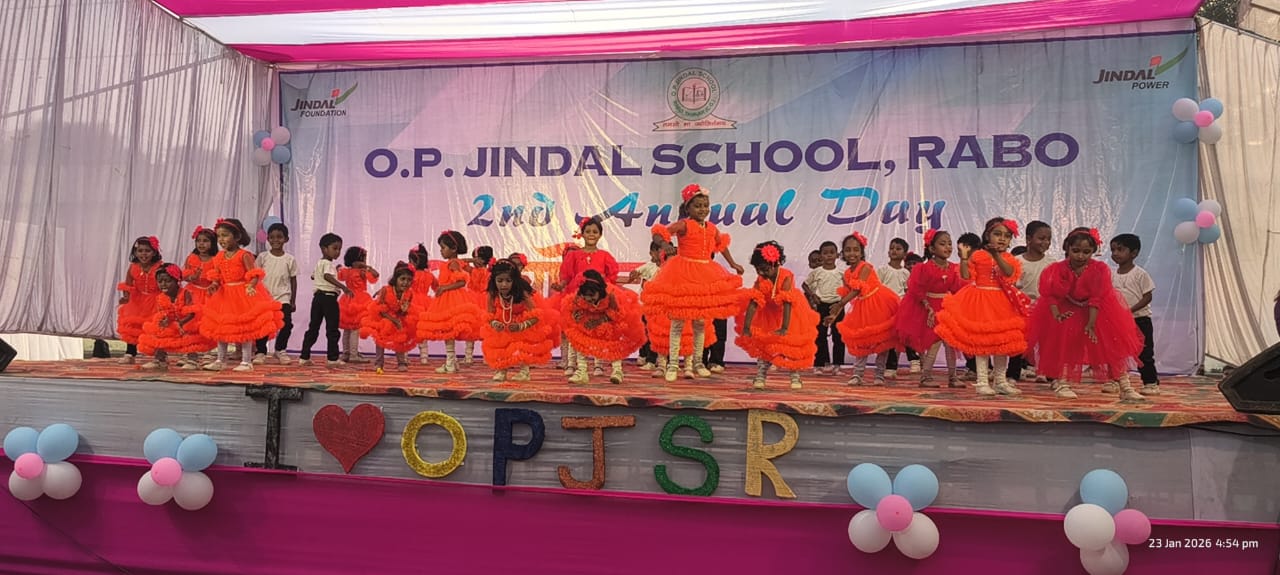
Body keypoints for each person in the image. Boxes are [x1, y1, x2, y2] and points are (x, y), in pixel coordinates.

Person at [1028, 228, 1146, 401]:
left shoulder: (1099, 269)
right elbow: (1051, 296)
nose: (1080, 256)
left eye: (1086, 252)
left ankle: (1125, 386)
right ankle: (1062, 383)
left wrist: (1091, 323)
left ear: (1093, 251)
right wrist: (1057, 315)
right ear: (1067, 248)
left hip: (1097, 311)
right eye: (1076, 251)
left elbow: (1096, 298)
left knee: (1112, 346)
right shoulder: (1056, 269)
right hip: (1066, 311)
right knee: (1065, 346)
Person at [644, 184, 746, 382]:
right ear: (688, 208)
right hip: (683, 273)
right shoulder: (684, 225)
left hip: (705, 274)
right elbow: (659, 233)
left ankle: (698, 362)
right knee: (678, 322)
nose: (702, 209)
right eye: (697, 206)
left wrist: (733, 264)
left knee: (700, 322)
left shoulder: (712, 228)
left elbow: (721, 245)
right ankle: (673, 364)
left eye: (705, 205)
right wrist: (664, 244)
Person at [935, 218, 1029, 396]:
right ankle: (982, 381)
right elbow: (966, 276)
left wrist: (996, 256)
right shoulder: (978, 256)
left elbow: (1009, 274)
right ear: (987, 236)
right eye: (997, 234)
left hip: (1001, 303)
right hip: (980, 300)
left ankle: (1000, 381)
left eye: (1007, 236)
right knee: (981, 342)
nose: (1002, 239)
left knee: (1002, 342)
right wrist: (964, 259)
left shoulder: (1010, 258)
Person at [199, 218, 284, 371]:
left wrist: (251, 286)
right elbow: (217, 276)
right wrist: (214, 285)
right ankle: (220, 360)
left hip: (242, 295)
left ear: (237, 237)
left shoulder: (244, 255)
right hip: (225, 296)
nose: (221, 239)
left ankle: (246, 361)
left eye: (225, 235)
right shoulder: (219, 257)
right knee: (221, 327)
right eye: (219, 236)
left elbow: (254, 274)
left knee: (245, 328)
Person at [736, 241, 818, 390]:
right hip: (768, 314)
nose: (761, 273)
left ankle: (795, 376)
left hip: (789, 315)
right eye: (757, 270)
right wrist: (746, 327)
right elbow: (754, 303)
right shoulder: (761, 280)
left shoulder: (786, 276)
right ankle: (761, 375)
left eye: (764, 269)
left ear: (775, 263)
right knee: (764, 344)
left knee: (791, 345)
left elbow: (787, 303)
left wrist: (784, 327)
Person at [825, 232, 901, 386]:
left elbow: (857, 290)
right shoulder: (847, 274)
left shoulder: (865, 267)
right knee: (861, 341)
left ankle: (879, 375)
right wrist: (834, 315)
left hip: (880, 304)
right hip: (862, 309)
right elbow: (847, 294)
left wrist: (840, 304)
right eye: (848, 250)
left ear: (861, 252)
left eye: (856, 250)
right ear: (843, 253)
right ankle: (858, 374)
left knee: (882, 341)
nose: (852, 253)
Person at [896, 230, 965, 388]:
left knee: (950, 343)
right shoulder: (923, 268)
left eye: (949, 244)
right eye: (942, 244)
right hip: (929, 308)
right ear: (932, 248)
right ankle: (925, 376)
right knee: (934, 343)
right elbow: (917, 289)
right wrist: (927, 306)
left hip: (946, 308)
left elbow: (956, 288)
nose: (947, 247)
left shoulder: (954, 268)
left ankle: (953, 377)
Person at [554, 217, 620, 377]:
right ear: (582, 234)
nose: (591, 234)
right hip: (577, 296)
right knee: (575, 330)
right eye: (588, 231)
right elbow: (566, 276)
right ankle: (572, 363)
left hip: (598, 297)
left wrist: (605, 289)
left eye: (595, 232)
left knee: (599, 330)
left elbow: (611, 277)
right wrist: (561, 285)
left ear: (600, 235)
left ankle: (598, 365)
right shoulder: (574, 255)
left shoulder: (605, 255)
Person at [416, 230, 484, 373]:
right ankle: (452, 361)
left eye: (443, 248)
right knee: (448, 331)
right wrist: (471, 260)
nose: (441, 251)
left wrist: (444, 288)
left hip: (451, 299)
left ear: (453, 249)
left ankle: (450, 363)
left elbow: (462, 281)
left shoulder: (453, 263)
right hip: (448, 297)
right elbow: (463, 262)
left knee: (448, 330)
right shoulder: (454, 262)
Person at [562, 270, 646, 384]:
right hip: (589, 319)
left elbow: (618, 316)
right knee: (578, 336)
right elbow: (573, 310)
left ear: (599, 290)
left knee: (614, 340)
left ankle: (617, 371)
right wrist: (576, 316)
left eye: (592, 296)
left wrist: (600, 321)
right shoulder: (579, 297)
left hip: (609, 320)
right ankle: (581, 370)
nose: (589, 300)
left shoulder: (611, 296)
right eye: (586, 297)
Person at [482, 259, 554, 382]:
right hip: (502, 321)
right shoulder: (492, 293)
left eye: (508, 281)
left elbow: (537, 316)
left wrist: (521, 326)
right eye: (500, 281)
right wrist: (494, 323)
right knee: (500, 344)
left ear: (514, 281)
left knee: (522, 345)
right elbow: (489, 314)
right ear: (494, 281)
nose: (504, 285)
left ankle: (524, 372)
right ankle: (501, 370)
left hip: (521, 322)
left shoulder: (522, 293)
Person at [1110, 233, 1160, 395]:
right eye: (1113, 250)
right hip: (1119, 321)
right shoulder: (1111, 274)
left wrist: (1130, 310)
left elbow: (1147, 296)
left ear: (1134, 253)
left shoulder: (1140, 274)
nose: (1115, 253)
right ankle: (1115, 381)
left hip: (1140, 319)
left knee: (1144, 353)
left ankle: (1150, 383)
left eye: (1120, 249)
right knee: (1115, 352)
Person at [138, 264, 212, 370]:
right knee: (159, 330)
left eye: (167, 281)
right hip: (173, 322)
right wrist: (165, 320)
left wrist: (181, 323)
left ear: (177, 280)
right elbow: (162, 312)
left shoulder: (186, 293)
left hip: (188, 321)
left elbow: (192, 313)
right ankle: (160, 359)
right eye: (160, 281)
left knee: (188, 334)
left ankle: (193, 359)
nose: (163, 284)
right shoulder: (160, 297)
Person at [1008, 221, 1053, 383]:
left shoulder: (1052, 263)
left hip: (1044, 308)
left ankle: (1049, 372)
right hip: (1021, 308)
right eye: (1041, 238)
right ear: (1028, 239)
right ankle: (1012, 374)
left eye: (1048, 239)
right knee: (1018, 341)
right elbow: (1012, 286)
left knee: (1046, 341)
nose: (1045, 242)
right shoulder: (1017, 262)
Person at [299, 233, 352, 366]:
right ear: (324, 249)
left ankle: (304, 356)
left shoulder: (320, 263)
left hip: (318, 298)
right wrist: (343, 287)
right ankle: (332, 358)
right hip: (329, 298)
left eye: (339, 249)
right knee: (332, 329)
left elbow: (313, 276)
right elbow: (327, 276)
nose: (337, 252)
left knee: (313, 327)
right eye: (334, 248)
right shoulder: (327, 264)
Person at [360, 262, 420, 372]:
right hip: (383, 317)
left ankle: (401, 362)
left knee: (401, 333)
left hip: (397, 317)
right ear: (395, 279)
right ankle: (379, 363)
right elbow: (379, 310)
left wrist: (404, 311)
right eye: (402, 279)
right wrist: (393, 320)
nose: (405, 282)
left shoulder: (409, 293)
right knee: (381, 336)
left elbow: (402, 313)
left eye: (409, 280)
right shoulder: (385, 290)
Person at [254, 223, 298, 364]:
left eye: (279, 237)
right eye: (272, 237)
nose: (275, 240)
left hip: (283, 298)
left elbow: (293, 280)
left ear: (286, 239)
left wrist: (292, 300)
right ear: (268, 239)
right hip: (264, 298)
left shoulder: (289, 259)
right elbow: (256, 276)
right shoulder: (262, 257)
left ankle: (280, 350)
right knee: (263, 325)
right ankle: (261, 351)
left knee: (286, 324)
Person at [116, 236, 163, 364]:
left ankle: (159, 355)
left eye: (147, 251)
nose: (144, 254)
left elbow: (166, 283)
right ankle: (130, 353)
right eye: (140, 251)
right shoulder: (133, 267)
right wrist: (126, 297)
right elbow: (128, 284)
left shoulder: (159, 267)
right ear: (135, 252)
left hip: (155, 300)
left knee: (156, 327)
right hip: (137, 301)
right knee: (133, 325)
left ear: (154, 252)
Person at [621, 242, 664, 370]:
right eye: (658, 251)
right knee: (644, 331)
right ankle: (644, 355)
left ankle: (654, 359)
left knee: (656, 333)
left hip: (660, 306)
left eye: (663, 252)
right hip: (645, 305)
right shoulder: (649, 266)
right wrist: (633, 274)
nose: (661, 255)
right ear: (651, 253)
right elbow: (635, 273)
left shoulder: (668, 268)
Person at [805, 240, 844, 375]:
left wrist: (842, 301)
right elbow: (805, 285)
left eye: (832, 253)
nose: (829, 256)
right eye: (825, 253)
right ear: (821, 256)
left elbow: (848, 288)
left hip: (837, 306)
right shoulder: (817, 272)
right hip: (822, 305)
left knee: (838, 336)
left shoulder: (841, 272)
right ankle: (818, 365)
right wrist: (813, 295)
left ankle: (837, 365)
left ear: (837, 255)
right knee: (820, 335)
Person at [879, 237, 917, 377]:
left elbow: (907, 291)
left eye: (898, 249)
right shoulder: (883, 270)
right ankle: (889, 366)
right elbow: (878, 287)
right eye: (892, 248)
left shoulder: (905, 273)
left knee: (902, 335)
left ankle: (913, 360)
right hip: (885, 307)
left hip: (900, 308)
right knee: (888, 337)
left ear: (904, 254)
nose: (894, 251)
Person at [337, 246, 379, 363]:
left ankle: (346, 353)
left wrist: (339, 268)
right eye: (364, 258)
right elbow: (376, 275)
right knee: (355, 329)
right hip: (359, 300)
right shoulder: (362, 272)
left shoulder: (346, 271)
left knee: (347, 329)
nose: (365, 261)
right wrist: (367, 267)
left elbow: (339, 274)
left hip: (347, 299)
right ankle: (353, 354)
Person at [462, 245, 495, 367]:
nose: (475, 261)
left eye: (477, 258)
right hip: (474, 301)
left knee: (485, 329)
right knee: (471, 328)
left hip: (483, 301)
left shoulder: (490, 272)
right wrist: (472, 260)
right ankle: (469, 357)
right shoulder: (473, 271)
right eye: (474, 258)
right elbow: (460, 263)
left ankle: (485, 357)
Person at [408, 243, 437, 365]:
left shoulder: (410, 274)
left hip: (411, 302)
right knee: (423, 331)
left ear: (413, 261)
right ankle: (424, 357)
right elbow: (437, 288)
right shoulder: (429, 275)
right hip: (426, 305)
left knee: (407, 329)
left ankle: (404, 356)